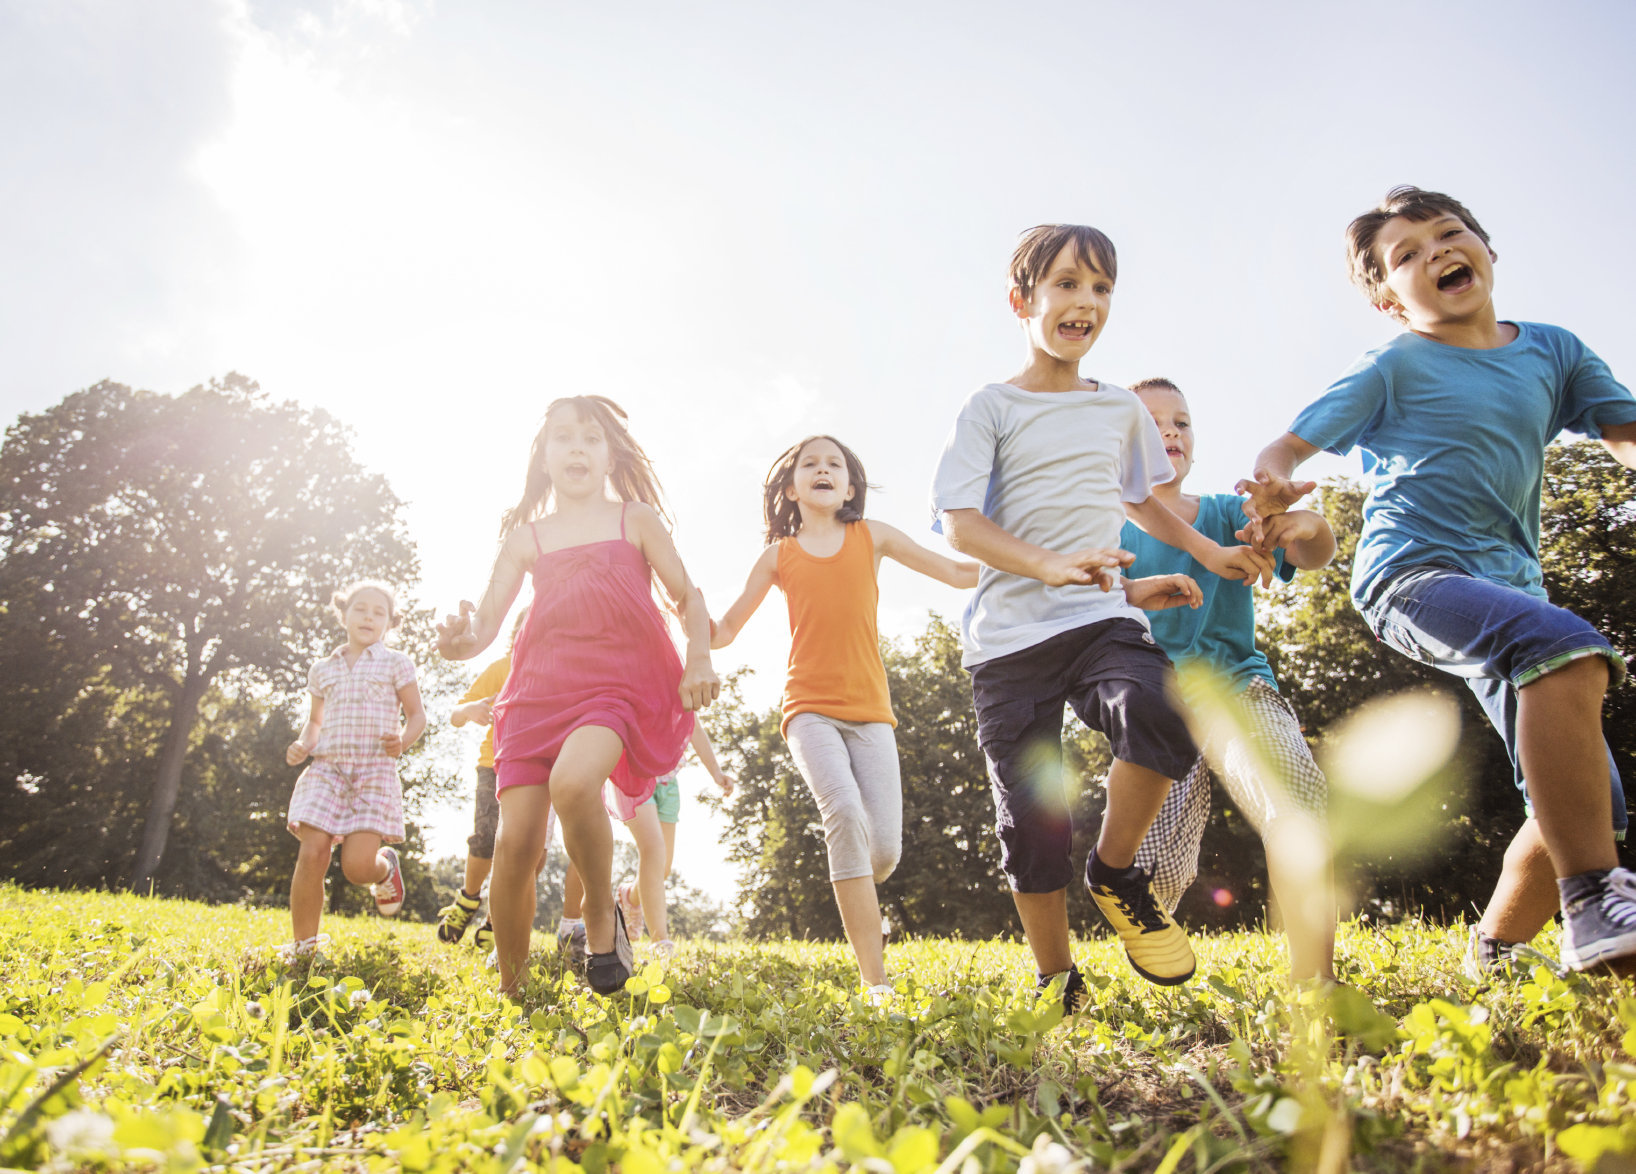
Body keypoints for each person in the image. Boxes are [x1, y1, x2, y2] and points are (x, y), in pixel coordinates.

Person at [1240, 186, 1636, 975]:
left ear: (1487, 248)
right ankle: (1592, 899)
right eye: (1407, 255)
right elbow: (1284, 449)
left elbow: (1625, 433)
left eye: (1450, 235)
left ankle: (1495, 950)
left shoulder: (1553, 351)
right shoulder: (1395, 363)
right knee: (1567, 649)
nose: (1437, 253)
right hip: (1410, 575)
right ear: (1389, 300)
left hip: (1513, 591)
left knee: (1595, 804)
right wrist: (1273, 488)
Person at [930, 223, 1274, 1008]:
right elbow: (960, 524)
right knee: (1031, 818)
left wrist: (1210, 553)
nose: (1085, 302)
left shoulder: (1119, 408)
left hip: (1097, 621)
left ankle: (1116, 872)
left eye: (1101, 288)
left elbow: (1144, 500)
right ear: (1021, 301)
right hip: (1008, 643)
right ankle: (1057, 977)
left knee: (1160, 710)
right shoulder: (991, 408)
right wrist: (1049, 564)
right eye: (1067, 284)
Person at [436, 395, 718, 998]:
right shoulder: (525, 537)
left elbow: (686, 595)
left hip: (615, 687)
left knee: (572, 784)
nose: (577, 448)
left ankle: (598, 918)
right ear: (543, 456)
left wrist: (698, 658)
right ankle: (513, 989)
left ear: (610, 454)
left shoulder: (635, 520)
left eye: (591, 438)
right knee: (516, 845)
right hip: (536, 693)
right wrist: (458, 643)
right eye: (563, 437)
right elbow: (482, 630)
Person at [713, 435, 979, 999]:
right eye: (810, 464)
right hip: (807, 708)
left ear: (851, 486)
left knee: (881, 851)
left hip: (871, 712)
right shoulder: (778, 556)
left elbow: (957, 574)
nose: (823, 469)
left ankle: (858, 878)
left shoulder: (872, 535)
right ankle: (875, 982)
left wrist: (1033, 563)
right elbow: (725, 630)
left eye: (834, 463)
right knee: (842, 812)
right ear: (791, 488)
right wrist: (681, 611)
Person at [1120, 377, 1339, 982]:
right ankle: (1155, 971)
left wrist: (1302, 526)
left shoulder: (1225, 513)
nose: (1170, 432)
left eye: (1182, 422)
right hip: (1156, 704)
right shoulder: (1108, 531)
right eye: (1151, 423)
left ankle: (1314, 979)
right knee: (1157, 869)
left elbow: (1316, 549)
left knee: (1297, 796)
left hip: (1238, 688)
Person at [284, 581, 426, 958]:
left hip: (374, 771)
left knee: (356, 867)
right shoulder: (322, 670)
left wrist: (403, 739)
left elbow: (416, 716)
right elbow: (315, 723)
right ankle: (304, 949)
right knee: (312, 852)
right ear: (343, 614)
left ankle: (383, 871)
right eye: (360, 609)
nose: (368, 617)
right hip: (327, 769)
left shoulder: (396, 663)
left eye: (378, 612)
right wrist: (304, 744)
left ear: (389, 623)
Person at [556, 726, 736, 968]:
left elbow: (693, 726)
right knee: (652, 849)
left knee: (662, 868)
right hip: (632, 777)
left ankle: (629, 896)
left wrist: (716, 772)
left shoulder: (682, 688)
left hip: (668, 783)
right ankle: (661, 942)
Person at [436, 611, 530, 950]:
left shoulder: (560, 671)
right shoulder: (501, 669)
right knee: (486, 837)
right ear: (516, 633)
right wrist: (473, 707)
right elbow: (455, 714)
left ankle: (496, 919)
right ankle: (468, 899)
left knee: (524, 848)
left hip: (536, 772)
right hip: (494, 765)